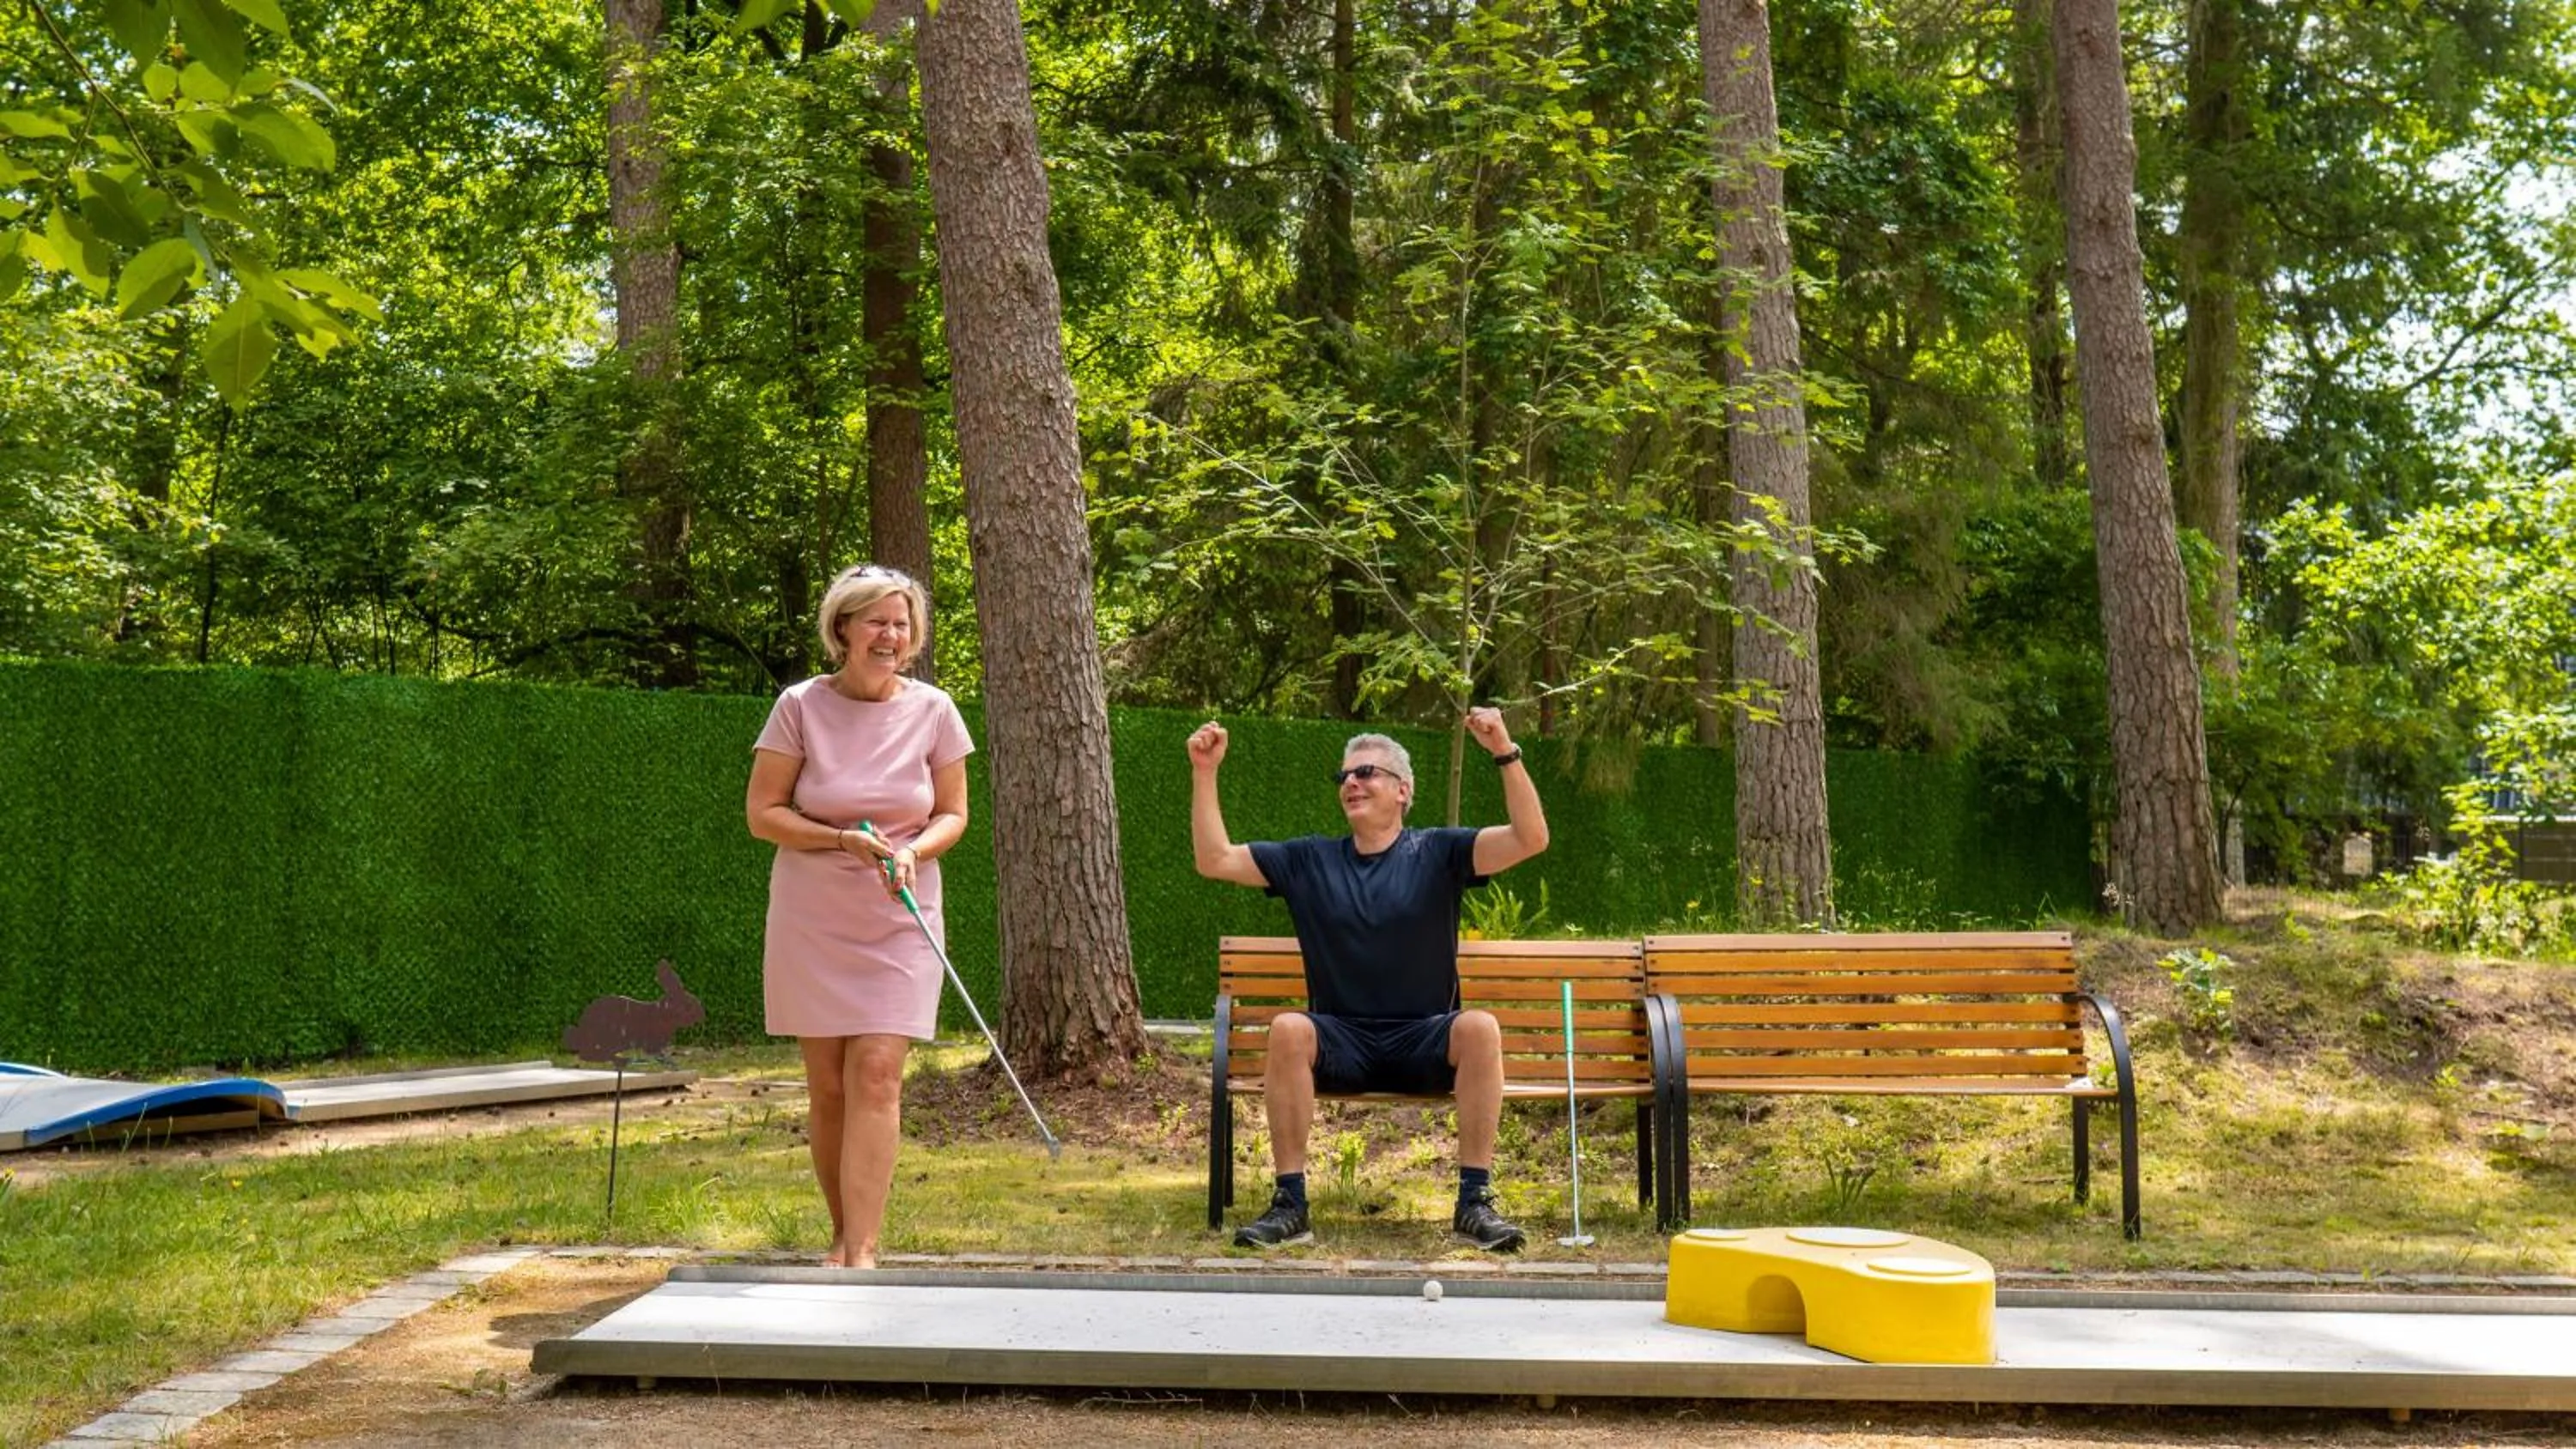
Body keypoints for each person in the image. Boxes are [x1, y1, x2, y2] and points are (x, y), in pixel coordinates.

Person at [1188, 707, 1549, 1252]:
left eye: (1366, 773)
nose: (1351, 782)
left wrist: (1504, 749)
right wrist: (1205, 771)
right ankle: (1291, 1205)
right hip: (1342, 1041)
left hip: (1424, 1038)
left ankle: (1474, 1202)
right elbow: (1214, 859)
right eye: (1345, 776)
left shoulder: (1440, 852)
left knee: (1479, 1028)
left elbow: (1531, 838)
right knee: (1288, 1027)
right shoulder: (1309, 860)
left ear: (1403, 790)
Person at [745, 564, 973, 1270]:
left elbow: (953, 814)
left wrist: (913, 851)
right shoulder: (798, 705)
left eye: (901, 624)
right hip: (814, 914)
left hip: (900, 909)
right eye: (876, 621)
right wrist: (841, 838)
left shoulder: (935, 710)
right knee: (829, 1085)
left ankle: (865, 1250)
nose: (891, 635)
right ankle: (842, 1236)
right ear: (842, 629)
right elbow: (764, 815)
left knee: (877, 1072)